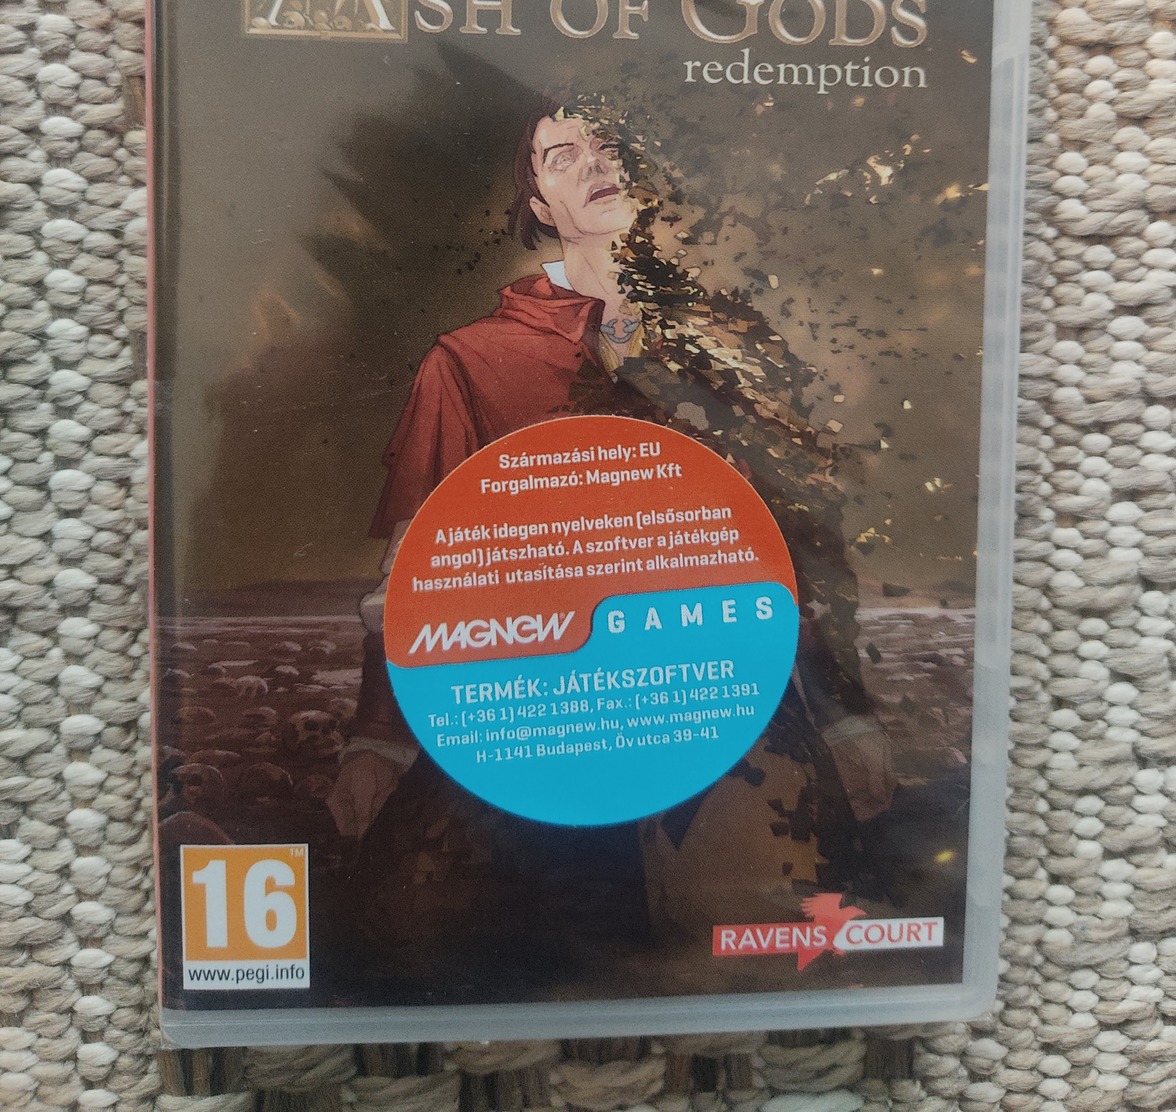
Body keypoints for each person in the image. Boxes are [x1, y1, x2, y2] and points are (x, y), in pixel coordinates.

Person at [327, 96, 895, 958]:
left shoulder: (734, 345)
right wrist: (376, 741)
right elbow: (414, 571)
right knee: (422, 931)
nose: (595, 164)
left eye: (612, 146)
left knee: (783, 934)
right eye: (563, 156)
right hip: (529, 710)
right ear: (539, 203)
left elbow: (800, 539)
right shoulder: (470, 362)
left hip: (719, 694)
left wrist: (846, 716)